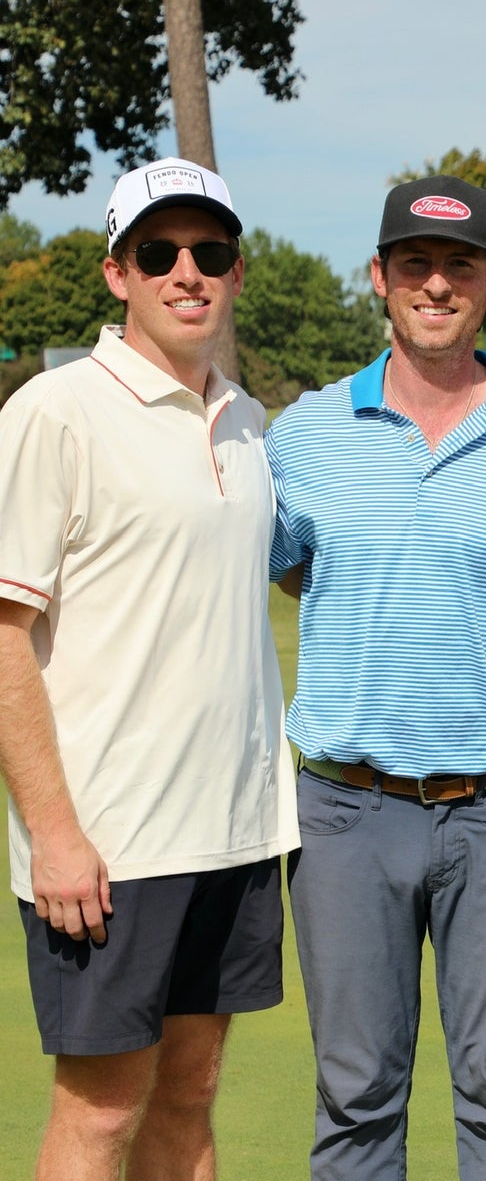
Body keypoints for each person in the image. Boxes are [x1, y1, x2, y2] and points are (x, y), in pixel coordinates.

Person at [266, 175, 486, 1179]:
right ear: (378, 276)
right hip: (345, 810)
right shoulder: (305, 435)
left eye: (459, 265)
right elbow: (292, 570)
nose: (435, 283)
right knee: (356, 1094)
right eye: (413, 262)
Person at [0, 158, 297, 1179]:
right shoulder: (54, 412)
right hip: (107, 845)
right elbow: (4, 639)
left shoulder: (249, 423)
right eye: (158, 252)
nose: (187, 272)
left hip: (234, 832)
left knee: (191, 1092)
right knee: (100, 1111)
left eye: (209, 252)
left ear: (236, 273)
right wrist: (55, 833)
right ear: (116, 272)